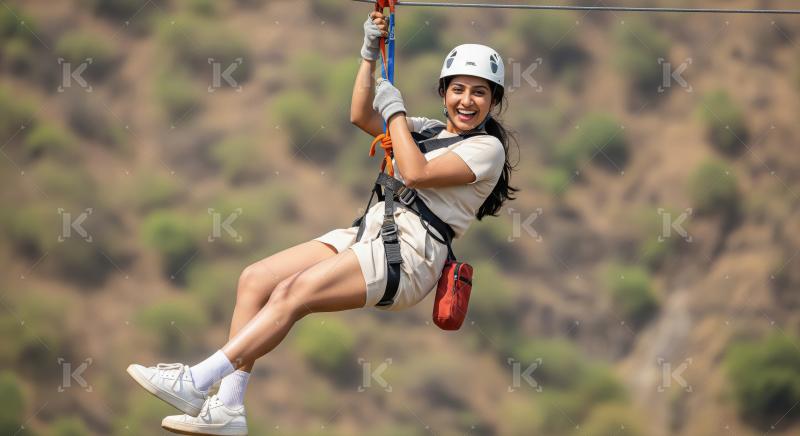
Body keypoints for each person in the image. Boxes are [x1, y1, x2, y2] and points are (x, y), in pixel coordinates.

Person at [126, 11, 518, 435]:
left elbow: (416, 172)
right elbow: (360, 115)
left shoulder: (487, 149)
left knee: (294, 294)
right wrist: (368, 55)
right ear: (443, 93)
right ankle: (228, 408)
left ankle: (195, 381)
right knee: (255, 279)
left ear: (493, 102)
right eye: (458, 89)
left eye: (480, 93)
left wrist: (397, 112)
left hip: (408, 255)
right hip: (370, 232)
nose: (467, 101)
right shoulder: (424, 129)